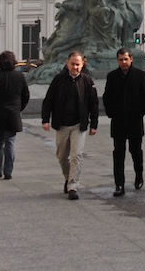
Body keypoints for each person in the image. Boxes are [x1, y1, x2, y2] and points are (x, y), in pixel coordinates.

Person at [41, 50, 99, 200]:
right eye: (72, 64)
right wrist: (45, 119)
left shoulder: (87, 81)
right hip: (61, 124)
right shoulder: (58, 80)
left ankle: (73, 186)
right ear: (67, 64)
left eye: (78, 64)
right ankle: (68, 177)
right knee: (61, 156)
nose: (75, 67)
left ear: (82, 64)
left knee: (76, 156)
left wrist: (94, 124)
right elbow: (48, 100)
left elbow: (94, 104)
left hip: (78, 125)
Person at [103, 48, 145, 197]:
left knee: (135, 151)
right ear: (117, 60)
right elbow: (107, 97)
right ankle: (119, 184)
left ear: (131, 59)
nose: (123, 62)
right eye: (120, 60)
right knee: (118, 154)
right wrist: (111, 112)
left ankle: (139, 175)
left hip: (134, 121)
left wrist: (140, 112)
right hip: (118, 121)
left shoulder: (140, 75)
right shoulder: (112, 76)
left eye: (126, 59)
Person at [0, 50, 30, 180]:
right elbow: (26, 95)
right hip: (13, 114)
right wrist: (19, 108)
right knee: (10, 143)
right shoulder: (19, 77)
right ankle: (8, 171)